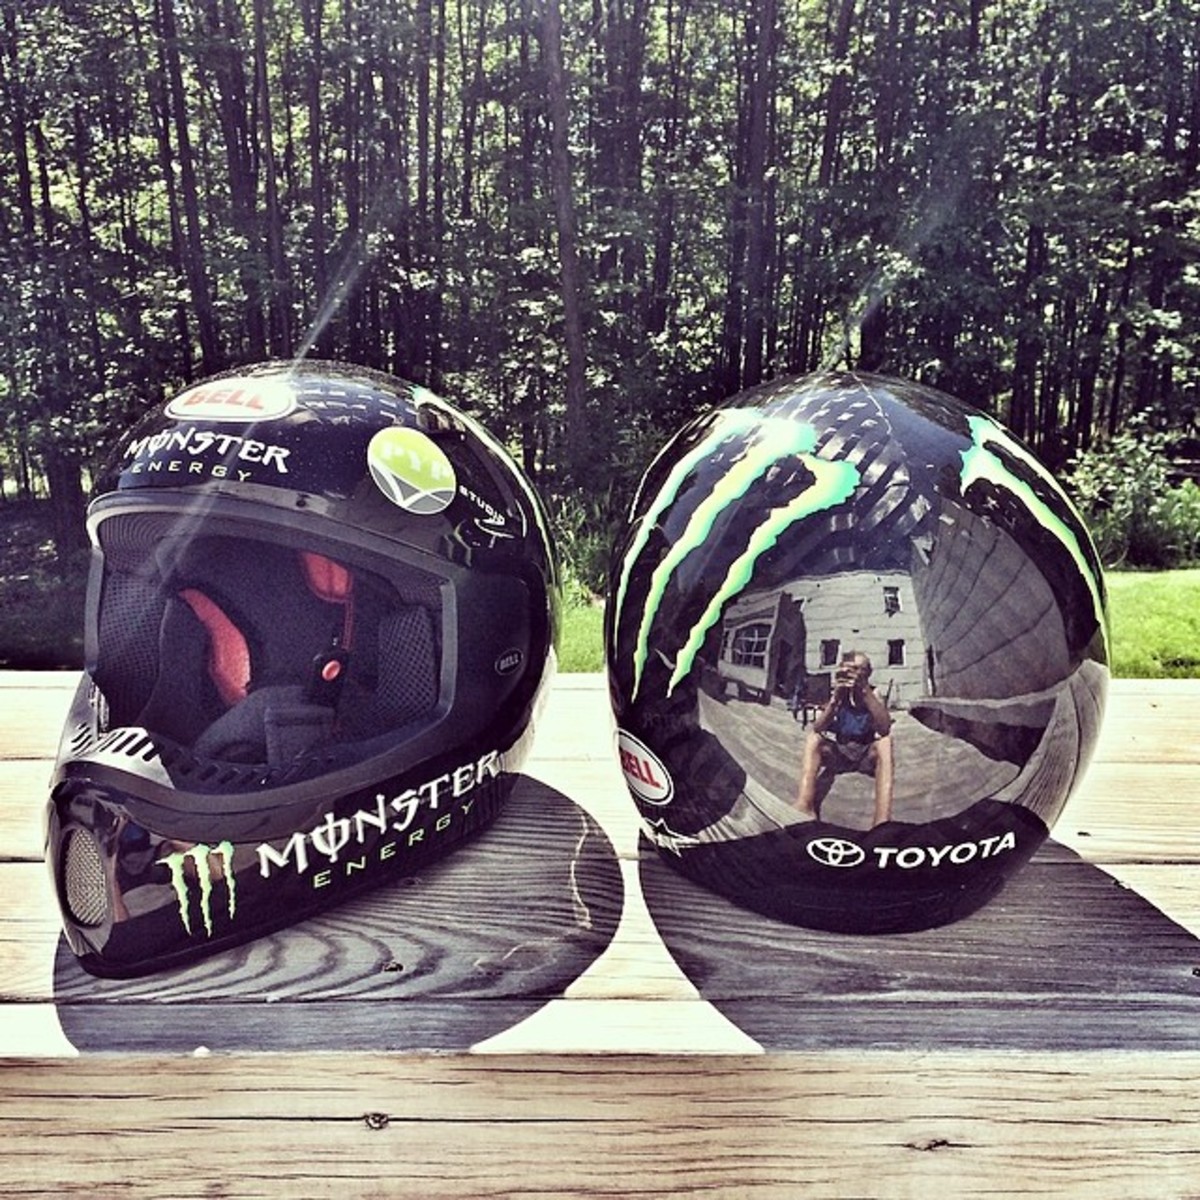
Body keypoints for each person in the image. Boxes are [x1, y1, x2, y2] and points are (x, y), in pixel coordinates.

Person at [795, 651, 894, 827]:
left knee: (885, 744)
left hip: (864, 754)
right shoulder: (837, 692)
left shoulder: (874, 693)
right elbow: (818, 728)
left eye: (857, 669)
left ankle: (882, 819)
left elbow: (885, 729)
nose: (852, 674)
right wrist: (835, 700)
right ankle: (805, 803)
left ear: (867, 673)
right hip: (840, 753)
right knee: (813, 739)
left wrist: (865, 692)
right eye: (848, 669)